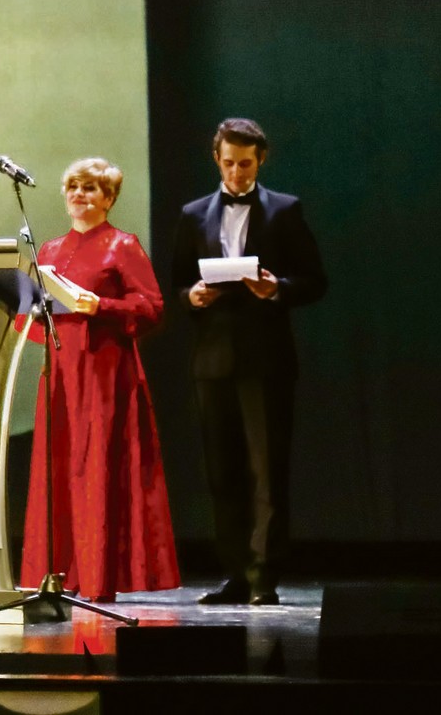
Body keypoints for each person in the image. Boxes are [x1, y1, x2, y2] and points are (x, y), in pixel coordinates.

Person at [168, 117, 327, 606]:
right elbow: (178, 281)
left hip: (266, 358)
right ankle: (235, 572)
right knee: (223, 472)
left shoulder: (285, 210)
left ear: (261, 160)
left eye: (246, 164)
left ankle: (263, 576)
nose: (236, 173)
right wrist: (192, 297)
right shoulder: (194, 214)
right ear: (216, 160)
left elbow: (315, 280)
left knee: (267, 471)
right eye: (229, 163)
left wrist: (277, 288)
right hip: (213, 359)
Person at [18, 158, 181, 601]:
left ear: (108, 198)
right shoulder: (49, 250)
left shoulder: (122, 246)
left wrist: (101, 307)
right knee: (59, 467)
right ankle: (57, 575)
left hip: (106, 375)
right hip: (61, 374)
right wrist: (26, 312)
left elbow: (152, 308)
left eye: (90, 188)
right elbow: (28, 316)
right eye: (73, 186)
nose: (79, 194)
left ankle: (97, 578)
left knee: (97, 468)